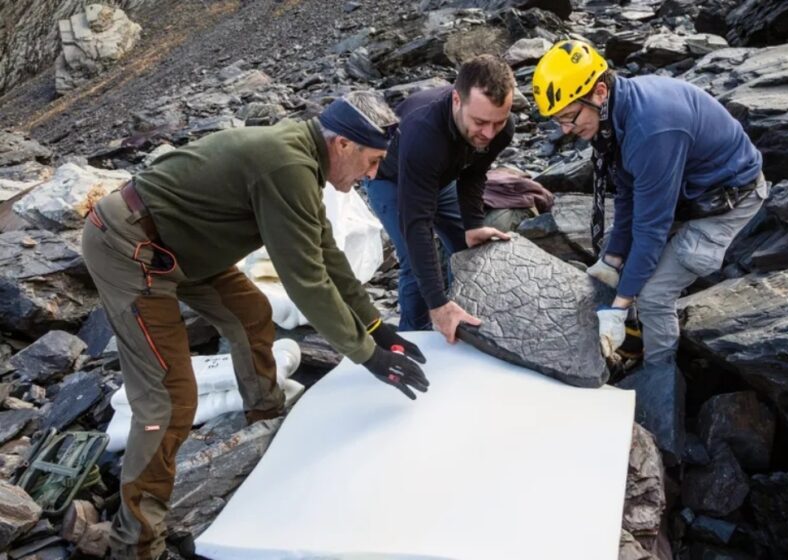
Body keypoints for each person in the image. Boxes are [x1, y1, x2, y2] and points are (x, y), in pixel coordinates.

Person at [81, 91, 429, 560]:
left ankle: (263, 417)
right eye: (371, 162)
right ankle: (136, 544)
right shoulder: (286, 166)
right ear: (343, 144)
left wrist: (375, 325)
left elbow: (325, 251)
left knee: (251, 314)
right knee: (167, 400)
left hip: (184, 247)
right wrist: (368, 356)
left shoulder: (302, 159)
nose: (372, 176)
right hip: (131, 249)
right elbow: (306, 281)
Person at [532, 40, 767, 365]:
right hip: (687, 190)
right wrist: (611, 261)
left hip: (727, 200)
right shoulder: (618, 112)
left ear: (599, 92)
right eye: (559, 121)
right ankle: (629, 341)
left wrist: (619, 307)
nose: (568, 130)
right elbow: (628, 195)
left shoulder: (651, 131)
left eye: (571, 117)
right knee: (615, 261)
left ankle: (657, 376)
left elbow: (651, 230)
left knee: (654, 295)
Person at [364, 54, 516, 342]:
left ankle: (470, 320)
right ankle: (413, 337)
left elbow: (474, 173)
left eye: (498, 122)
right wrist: (437, 303)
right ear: (457, 101)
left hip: (442, 175)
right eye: (480, 122)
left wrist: (473, 224)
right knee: (415, 259)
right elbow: (417, 223)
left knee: (467, 247)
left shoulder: (500, 128)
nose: (489, 133)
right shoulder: (423, 131)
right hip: (391, 179)